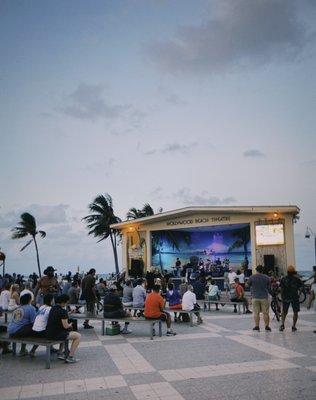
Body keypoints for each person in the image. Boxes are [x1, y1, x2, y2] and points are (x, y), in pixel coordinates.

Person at [46, 294, 81, 363]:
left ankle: (60, 352)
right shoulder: (63, 311)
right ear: (63, 302)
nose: (67, 304)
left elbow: (60, 316)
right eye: (67, 302)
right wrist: (70, 324)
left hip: (49, 333)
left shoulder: (53, 308)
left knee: (65, 333)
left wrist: (69, 313)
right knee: (78, 336)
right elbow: (66, 326)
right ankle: (70, 357)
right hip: (56, 334)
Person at [279, 265, 304, 332]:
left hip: (285, 297)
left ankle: (282, 325)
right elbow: (301, 287)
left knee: (284, 311)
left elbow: (281, 289)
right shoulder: (297, 279)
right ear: (293, 272)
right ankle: (293, 326)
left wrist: (282, 296)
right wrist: (299, 294)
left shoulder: (283, 279)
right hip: (294, 297)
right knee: (295, 312)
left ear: (287, 272)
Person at [247, 265, 271, 331]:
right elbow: (269, 287)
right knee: (265, 313)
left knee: (256, 313)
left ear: (256, 270)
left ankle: (257, 326)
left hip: (255, 297)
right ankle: (267, 326)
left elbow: (247, 284)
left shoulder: (252, 277)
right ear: (262, 270)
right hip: (264, 297)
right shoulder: (267, 277)